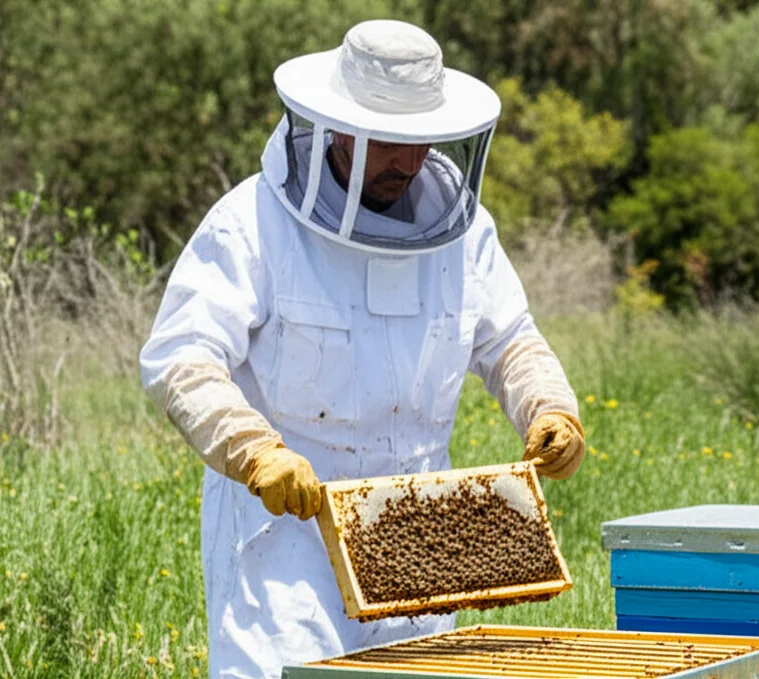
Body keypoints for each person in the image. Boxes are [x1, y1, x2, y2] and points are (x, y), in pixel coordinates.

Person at [138, 18, 585, 679]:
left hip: (423, 541)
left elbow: (510, 338)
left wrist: (550, 407)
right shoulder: (252, 223)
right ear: (339, 127)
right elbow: (181, 356)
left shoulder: (464, 232)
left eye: (420, 140)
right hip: (287, 541)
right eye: (388, 143)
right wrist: (253, 449)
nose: (408, 161)